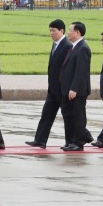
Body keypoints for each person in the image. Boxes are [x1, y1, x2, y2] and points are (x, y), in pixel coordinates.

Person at [27, 20, 71, 148]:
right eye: (50, 30)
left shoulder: (67, 45)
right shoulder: (55, 44)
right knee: (46, 114)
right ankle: (40, 140)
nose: (51, 33)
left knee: (68, 117)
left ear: (61, 31)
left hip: (62, 89)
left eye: (54, 31)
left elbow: (66, 69)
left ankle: (82, 137)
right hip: (52, 88)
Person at [59, 22, 93, 151]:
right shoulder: (73, 47)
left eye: (70, 30)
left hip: (77, 90)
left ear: (77, 32)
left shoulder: (83, 48)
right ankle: (70, 141)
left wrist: (74, 88)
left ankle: (78, 142)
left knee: (78, 117)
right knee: (68, 115)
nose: (68, 33)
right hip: (68, 89)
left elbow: (81, 71)